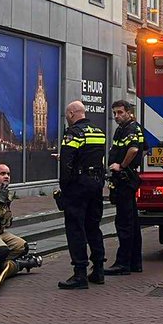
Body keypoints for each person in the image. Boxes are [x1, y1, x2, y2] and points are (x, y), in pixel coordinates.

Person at [58, 101, 107, 291]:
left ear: (71, 114)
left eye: (67, 115)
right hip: (96, 185)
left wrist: (65, 188)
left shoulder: (73, 133)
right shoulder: (98, 132)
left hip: (78, 187)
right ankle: (99, 270)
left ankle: (80, 273)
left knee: (75, 228)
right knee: (93, 227)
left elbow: (67, 164)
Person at [104, 100, 145, 277]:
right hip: (128, 178)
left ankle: (123, 263)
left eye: (120, 112)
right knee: (133, 222)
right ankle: (135, 262)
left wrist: (121, 166)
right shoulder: (128, 128)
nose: (116, 116)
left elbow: (135, 150)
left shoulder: (130, 128)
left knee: (124, 223)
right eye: (114, 113)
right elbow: (143, 150)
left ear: (129, 112)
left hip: (125, 180)